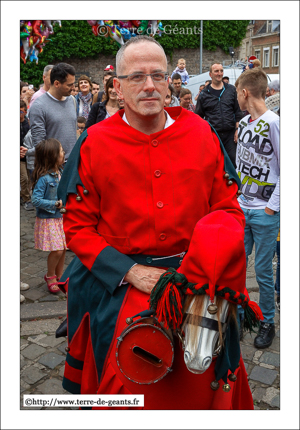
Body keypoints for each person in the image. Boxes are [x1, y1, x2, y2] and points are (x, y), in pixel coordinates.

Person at [57, 35, 252, 409]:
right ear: (117, 87)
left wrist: (203, 271)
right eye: (136, 77)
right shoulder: (94, 142)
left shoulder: (201, 133)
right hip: (119, 282)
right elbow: (78, 228)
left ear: (169, 83)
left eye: (157, 76)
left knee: (203, 386)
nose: (149, 85)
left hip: (196, 280)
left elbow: (228, 210)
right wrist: (129, 270)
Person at [235, 68, 280, 349]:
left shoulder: (275, 123)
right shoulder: (245, 123)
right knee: (237, 267)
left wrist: (271, 209)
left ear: (245, 92)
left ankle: (267, 322)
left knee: (263, 271)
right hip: (242, 209)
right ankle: (239, 316)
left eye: (237, 92)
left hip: (265, 211)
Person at [31, 139, 67, 294]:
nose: (63, 153)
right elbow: (36, 200)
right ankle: (50, 275)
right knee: (58, 249)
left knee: (64, 248)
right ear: (52, 156)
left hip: (61, 217)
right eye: (60, 151)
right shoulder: (44, 178)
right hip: (50, 218)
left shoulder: (61, 172)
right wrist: (55, 204)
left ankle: (60, 276)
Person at [195, 63, 243, 167]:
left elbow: (238, 111)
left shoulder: (231, 90)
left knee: (234, 162)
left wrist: (237, 130)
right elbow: (198, 117)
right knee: (215, 164)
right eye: (216, 71)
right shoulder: (204, 94)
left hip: (230, 134)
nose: (219, 73)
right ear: (210, 74)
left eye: (221, 71)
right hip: (213, 135)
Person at [29, 63, 77, 161]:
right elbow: (40, 145)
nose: (73, 88)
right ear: (56, 84)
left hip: (73, 163)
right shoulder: (39, 106)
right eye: (69, 85)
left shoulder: (72, 100)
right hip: (52, 167)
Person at [20, 100, 33, 210]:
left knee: (29, 179)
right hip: (19, 155)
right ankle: (26, 199)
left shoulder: (28, 124)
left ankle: (25, 195)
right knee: (23, 177)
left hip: (28, 155)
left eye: (20, 111)